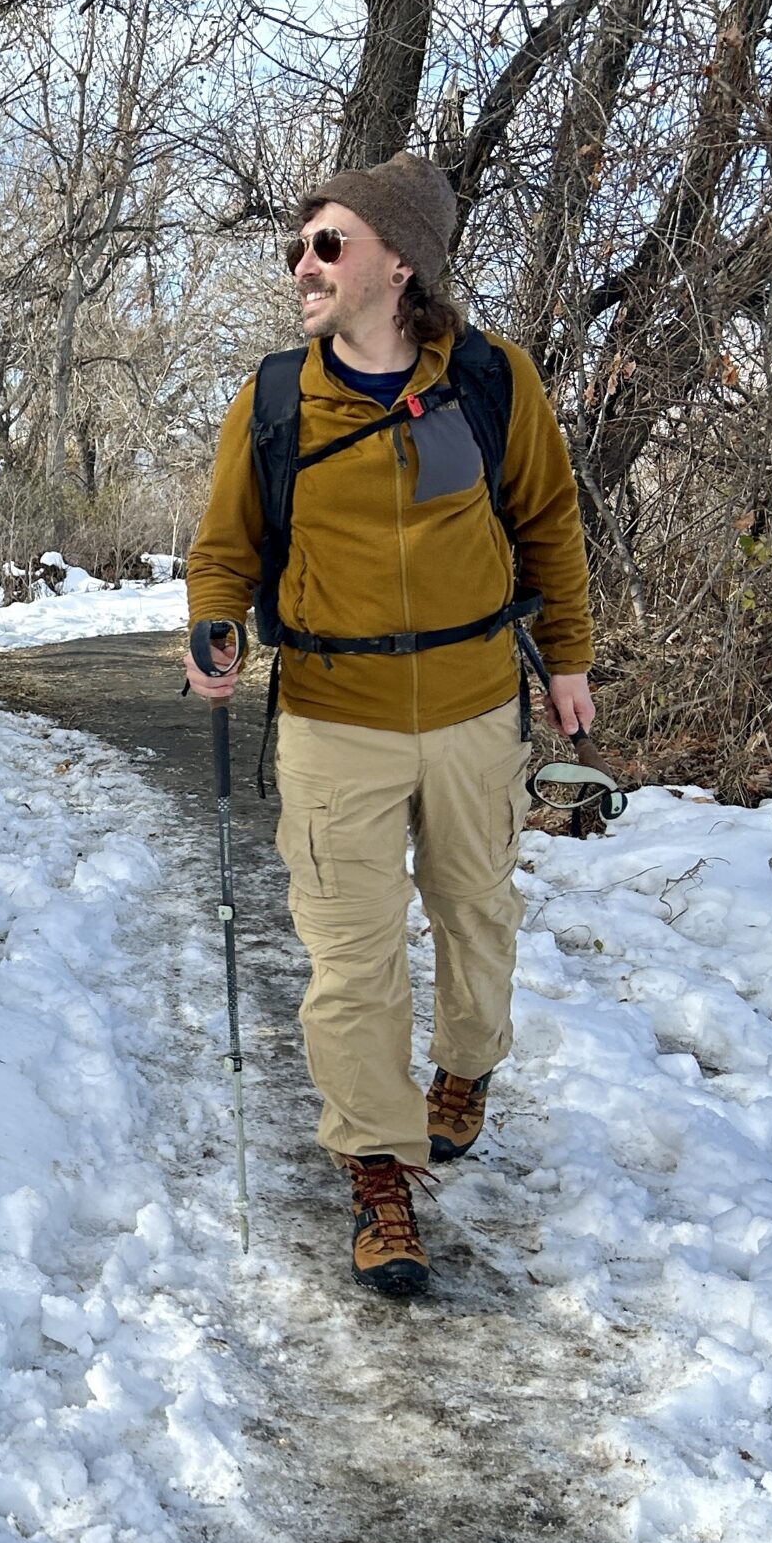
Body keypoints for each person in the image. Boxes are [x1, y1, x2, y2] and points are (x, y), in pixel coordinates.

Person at [182, 152, 595, 1298]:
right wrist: (214, 626)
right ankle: (376, 1168)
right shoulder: (275, 400)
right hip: (331, 717)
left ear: (398, 262)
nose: (302, 265)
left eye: (327, 244)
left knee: (476, 915)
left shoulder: (488, 382)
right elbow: (225, 548)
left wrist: (567, 658)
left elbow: (548, 522)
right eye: (298, 247)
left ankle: (464, 1071)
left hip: (473, 708)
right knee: (350, 960)